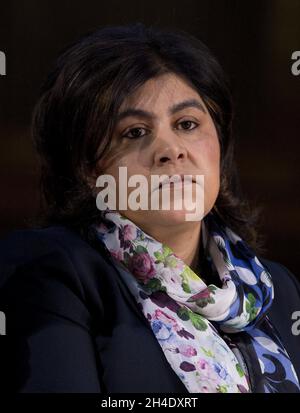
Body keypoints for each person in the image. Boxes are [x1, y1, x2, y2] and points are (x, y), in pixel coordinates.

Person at [0, 23, 299, 393]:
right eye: (135, 132)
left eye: (187, 124)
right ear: (89, 172)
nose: (170, 150)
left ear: (220, 151)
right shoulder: (53, 273)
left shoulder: (276, 291)